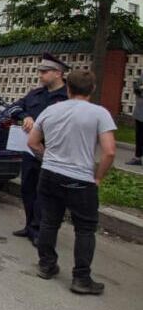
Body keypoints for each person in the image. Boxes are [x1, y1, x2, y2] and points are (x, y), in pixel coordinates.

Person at [28, 70, 116, 295]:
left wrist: (47, 157)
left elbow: (32, 142)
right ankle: (81, 278)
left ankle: (46, 265)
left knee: (49, 222)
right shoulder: (99, 113)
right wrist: (98, 177)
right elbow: (109, 152)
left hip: (49, 175)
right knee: (85, 229)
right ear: (92, 89)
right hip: (80, 179)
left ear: (68, 88)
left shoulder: (51, 110)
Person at [7, 52, 69, 245]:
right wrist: (25, 116)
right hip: (30, 152)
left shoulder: (67, 97)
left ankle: (39, 230)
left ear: (58, 73)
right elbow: (12, 109)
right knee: (28, 189)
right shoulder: (35, 94)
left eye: (45, 71)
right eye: (40, 71)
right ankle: (29, 225)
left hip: (52, 153)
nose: (40, 75)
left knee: (45, 193)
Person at [127, 73, 142, 166]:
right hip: (140, 111)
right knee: (139, 136)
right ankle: (137, 157)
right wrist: (138, 89)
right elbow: (137, 87)